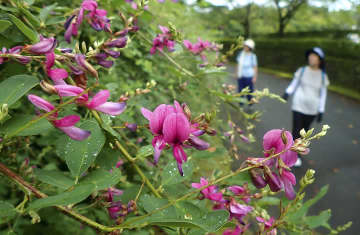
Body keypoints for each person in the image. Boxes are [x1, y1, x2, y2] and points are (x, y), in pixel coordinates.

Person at [282, 47, 330, 167]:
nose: (311, 57)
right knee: (296, 130)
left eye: (315, 56)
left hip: (312, 109)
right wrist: (287, 92)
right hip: (298, 105)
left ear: (320, 60)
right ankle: (292, 155)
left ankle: (297, 153)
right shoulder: (302, 70)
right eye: (310, 55)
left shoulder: (323, 76)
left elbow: (323, 94)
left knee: (305, 132)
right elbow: (294, 84)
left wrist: (321, 111)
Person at [236, 39, 258, 106]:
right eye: (245, 46)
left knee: (249, 92)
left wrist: (254, 77)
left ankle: (250, 104)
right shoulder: (241, 54)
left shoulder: (252, 56)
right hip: (241, 76)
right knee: (240, 91)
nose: (245, 47)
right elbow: (238, 64)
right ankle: (240, 105)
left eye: (246, 46)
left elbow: (255, 67)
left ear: (250, 48)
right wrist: (236, 73)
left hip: (249, 77)